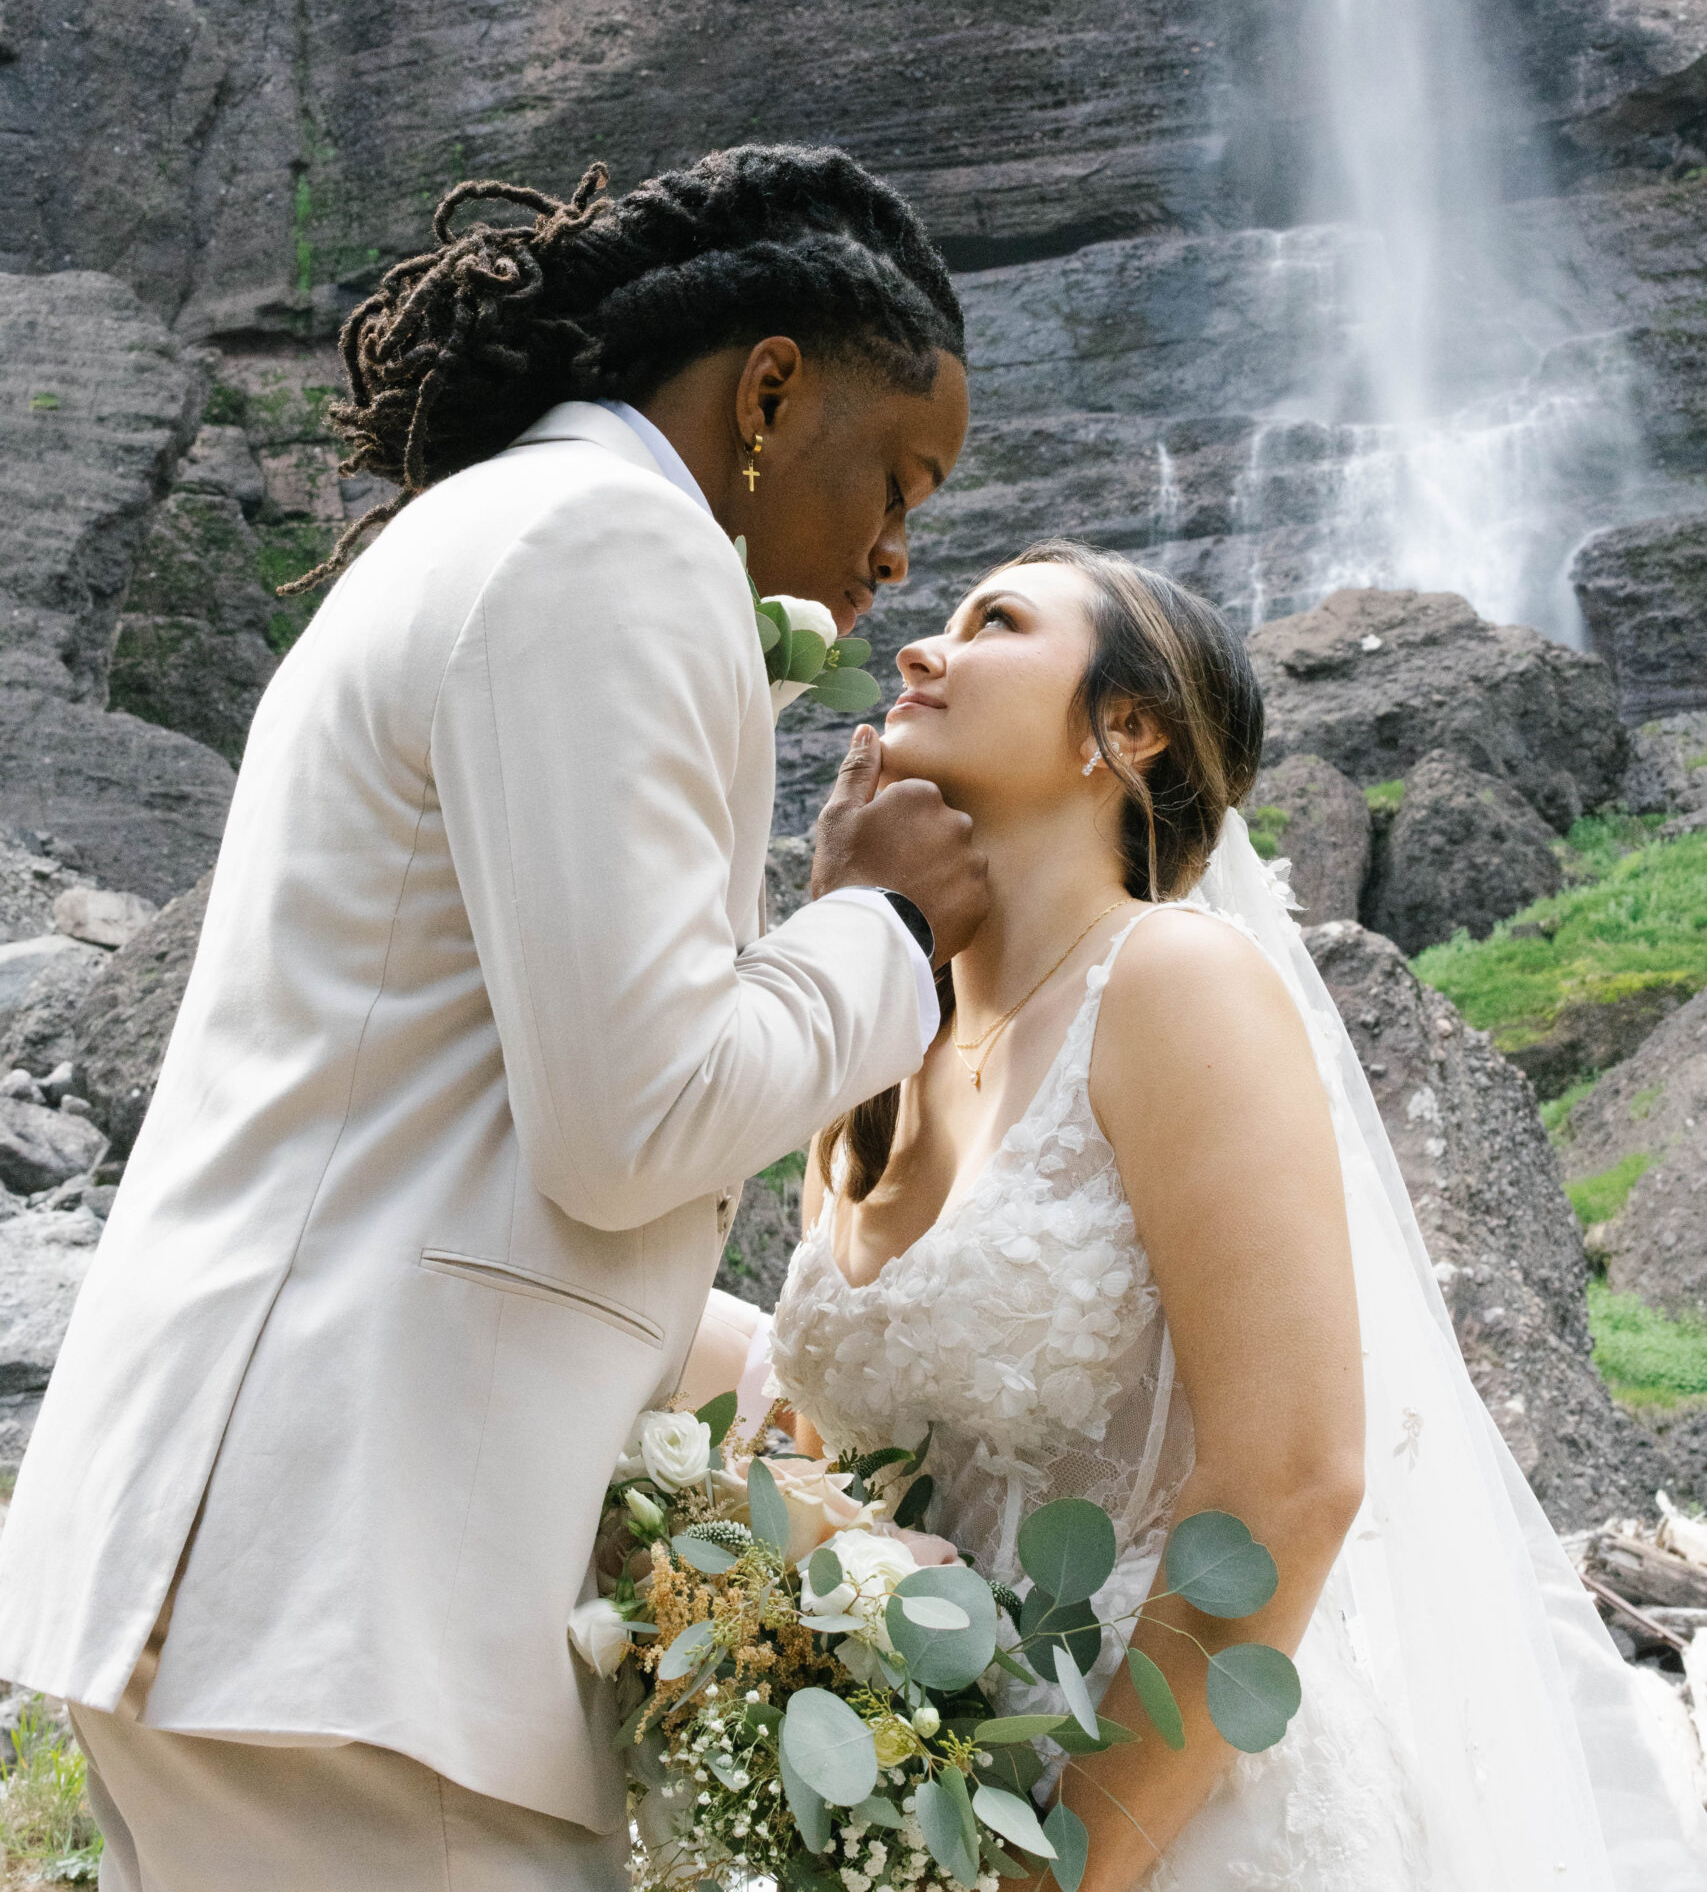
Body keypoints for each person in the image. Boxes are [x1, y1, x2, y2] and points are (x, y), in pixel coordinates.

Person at [0, 145, 990, 1891]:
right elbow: (634, 1129)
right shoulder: (608, 546)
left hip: (285, 1564)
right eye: (899, 478)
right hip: (348, 1575)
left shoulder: (508, 524)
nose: (901, 555)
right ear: (769, 389)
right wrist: (885, 929)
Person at [768, 541, 1707, 1888]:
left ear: (1127, 729)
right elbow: (803, 1446)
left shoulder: (1172, 986)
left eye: (997, 622)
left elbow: (1291, 1484)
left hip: (1160, 1799)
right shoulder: (881, 1039)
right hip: (894, 1799)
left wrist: (1062, 1863)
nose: (920, 649)